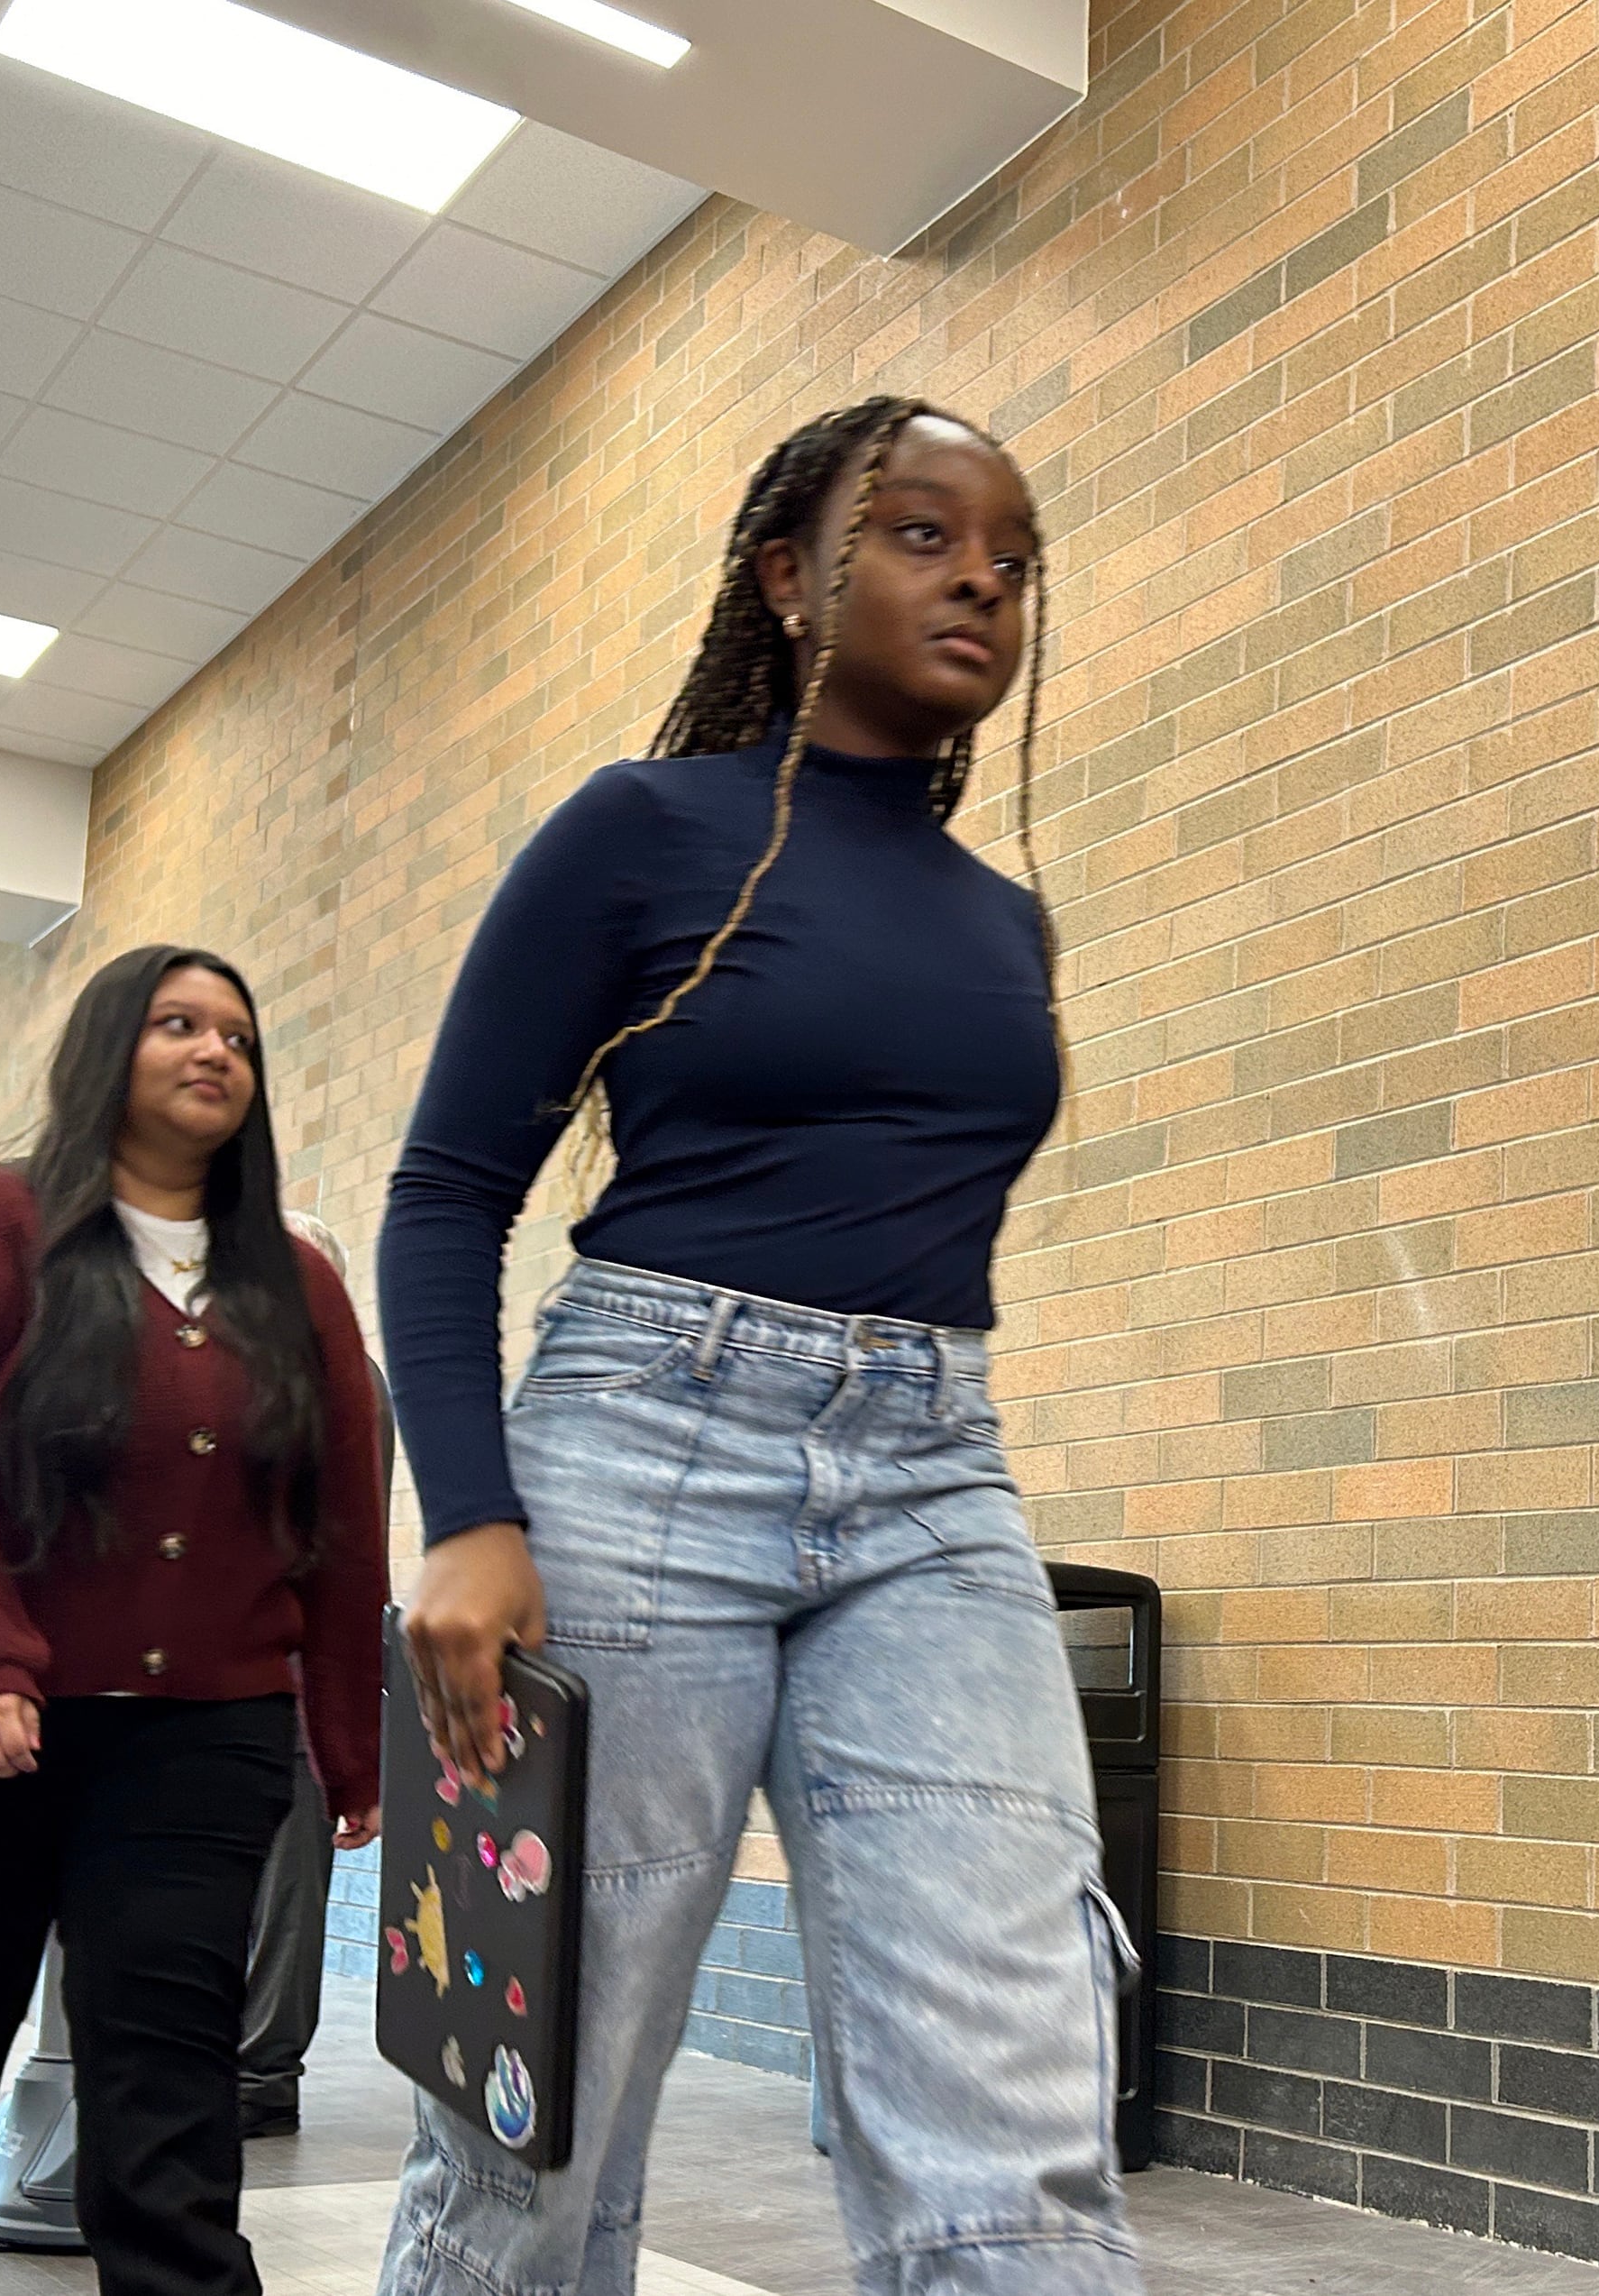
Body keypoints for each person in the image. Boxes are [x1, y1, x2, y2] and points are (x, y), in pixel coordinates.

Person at [378, 397, 1138, 2296]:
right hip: (635, 1449)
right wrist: (469, 1515)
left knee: (1014, 2086)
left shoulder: (1006, 921)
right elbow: (446, 1188)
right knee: (530, 2111)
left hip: (930, 1473)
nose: (977, 574)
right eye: (918, 531)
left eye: (1012, 554)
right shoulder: (644, 833)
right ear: (788, 577)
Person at [0, 947, 388, 2296]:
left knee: (170, 2072)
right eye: (177, 1022)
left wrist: (351, 1742)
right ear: (105, 1047)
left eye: (237, 1032)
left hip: (200, 1730)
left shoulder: (296, 1280)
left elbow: (340, 1524)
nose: (213, 1050)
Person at [235, 1205, 393, 2141]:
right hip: (236, 1670)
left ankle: (261, 2072)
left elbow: (344, 1551)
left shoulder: (343, 1385)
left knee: (287, 1892)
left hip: (292, 1673)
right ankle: (239, 2061)